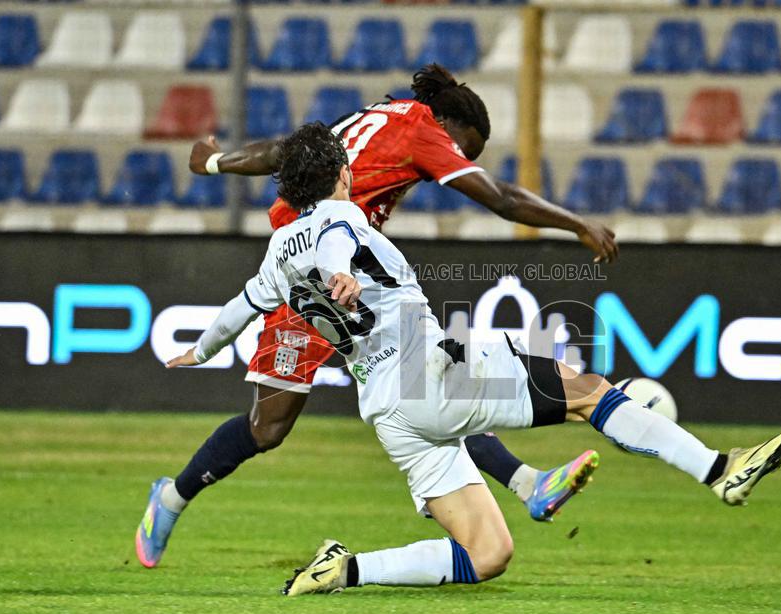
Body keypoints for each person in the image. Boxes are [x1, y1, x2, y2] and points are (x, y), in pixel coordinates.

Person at [164, 123, 781, 595]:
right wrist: (338, 273)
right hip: (429, 368)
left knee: (487, 552)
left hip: (386, 410)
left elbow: (240, 308)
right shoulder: (342, 216)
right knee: (588, 391)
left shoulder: (278, 248)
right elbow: (334, 242)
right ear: (342, 173)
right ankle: (719, 469)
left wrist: (202, 350)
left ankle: (344, 570)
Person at [136, 64, 618, 568]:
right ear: (448, 124)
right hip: (307, 277)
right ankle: (170, 498)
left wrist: (216, 163)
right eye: (462, 149)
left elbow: (286, 151)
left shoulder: (373, 115)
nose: (456, 161)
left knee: (430, 380)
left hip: (357, 279)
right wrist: (577, 223)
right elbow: (501, 197)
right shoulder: (419, 130)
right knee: (268, 427)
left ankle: (527, 484)